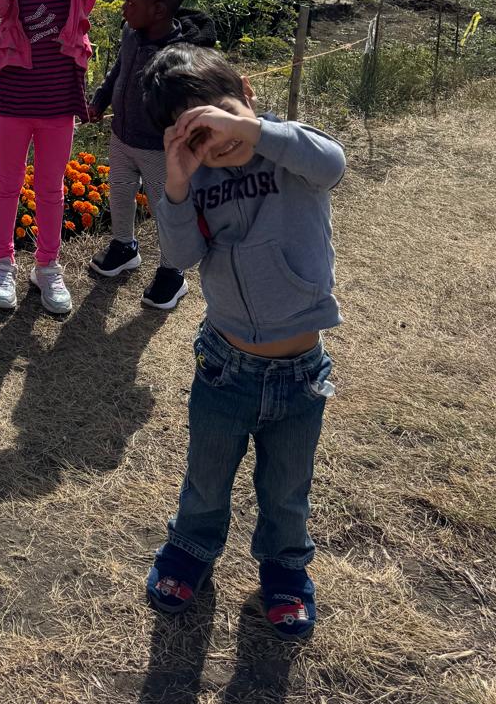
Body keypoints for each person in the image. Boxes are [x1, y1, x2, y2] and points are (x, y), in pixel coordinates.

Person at [139, 44, 345, 638]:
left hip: (300, 370)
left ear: (248, 95)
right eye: (198, 136)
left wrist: (253, 128)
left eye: (222, 117)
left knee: (286, 489)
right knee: (206, 477)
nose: (219, 141)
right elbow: (180, 257)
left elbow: (333, 163)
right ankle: (189, 553)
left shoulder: (290, 153)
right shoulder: (197, 179)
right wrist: (177, 185)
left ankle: (285, 575)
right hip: (224, 365)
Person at [0, 0, 111, 316]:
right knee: (8, 184)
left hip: (58, 106)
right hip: (14, 104)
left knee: (51, 189)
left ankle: (47, 266)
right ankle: (2, 264)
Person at [88, 0, 215, 310]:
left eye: (131, 2)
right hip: (122, 136)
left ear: (159, 10)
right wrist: (100, 98)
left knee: (167, 208)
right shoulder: (131, 34)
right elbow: (118, 70)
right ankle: (124, 245)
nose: (124, 8)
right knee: (120, 192)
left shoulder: (181, 54)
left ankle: (173, 271)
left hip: (160, 148)